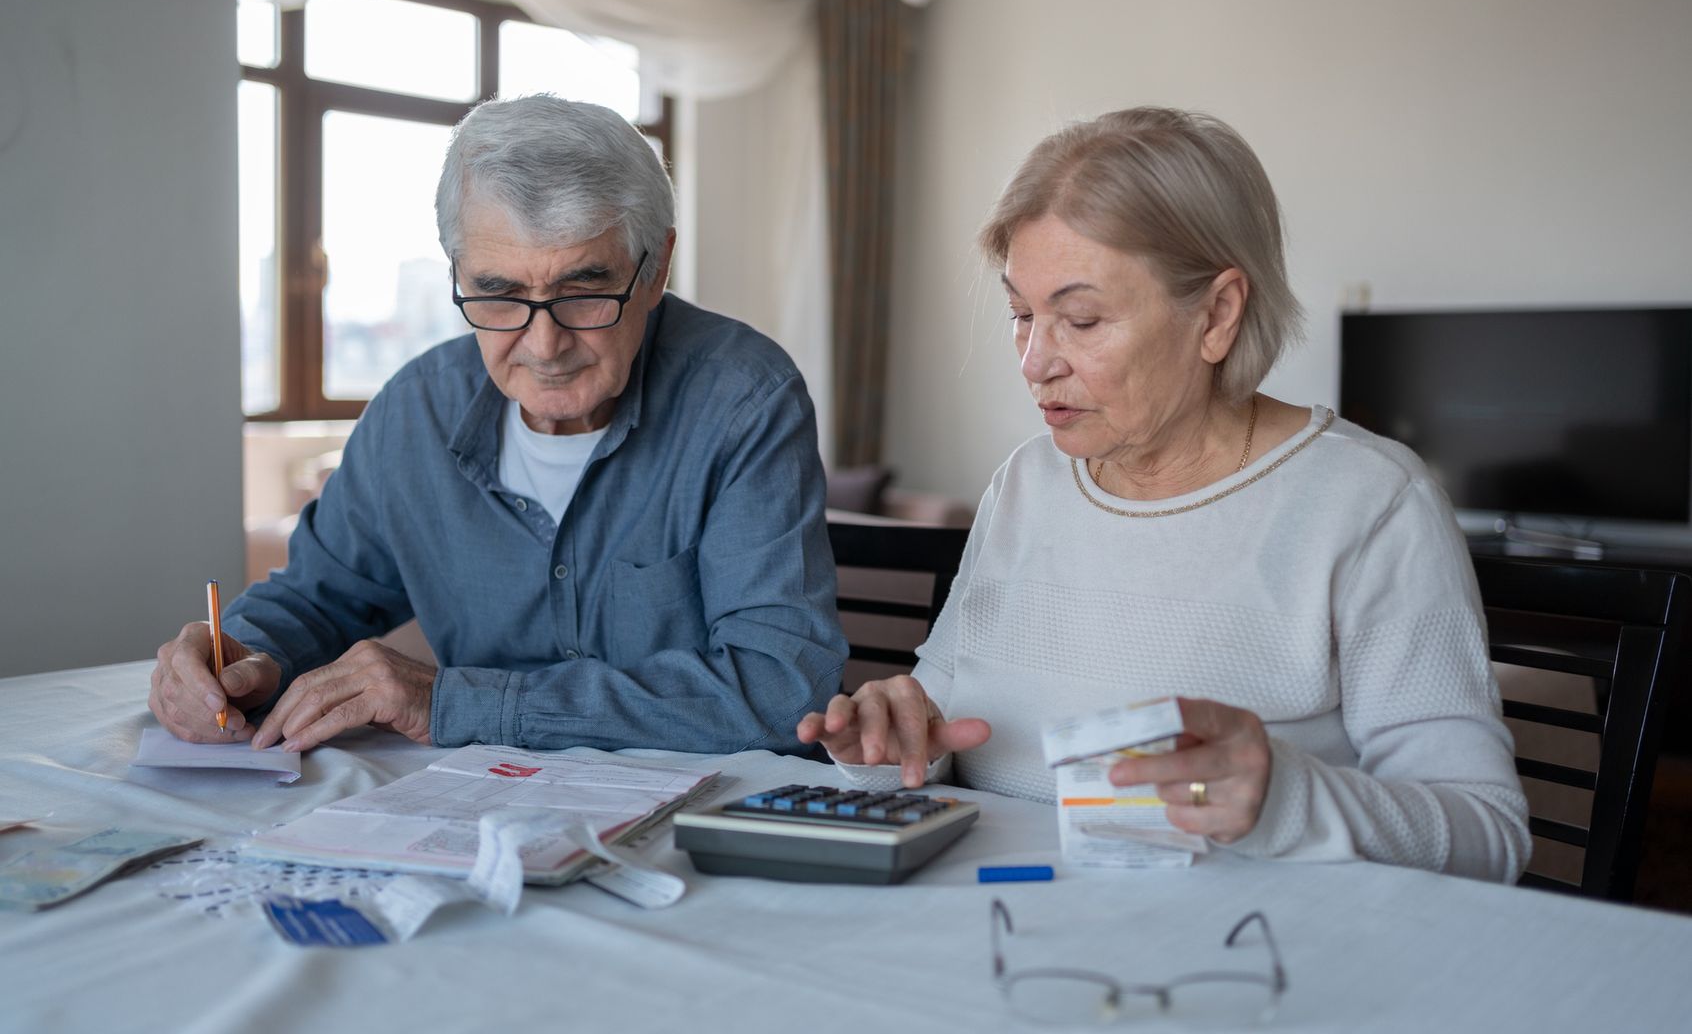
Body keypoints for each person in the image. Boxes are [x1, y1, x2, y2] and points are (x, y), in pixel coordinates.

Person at [797, 107, 1531, 882]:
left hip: (1237, 962)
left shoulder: (1367, 502)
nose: (1034, 361)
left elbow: (1488, 838)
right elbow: (941, 725)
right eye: (1021, 314)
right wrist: (888, 743)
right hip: (1004, 922)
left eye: (1080, 319)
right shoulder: (1027, 481)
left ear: (1216, 315)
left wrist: (1283, 797)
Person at [150, 95, 846, 755]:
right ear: (458, 272)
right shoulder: (415, 410)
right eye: (499, 292)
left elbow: (778, 689)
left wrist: (460, 702)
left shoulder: (742, 398)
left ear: (655, 267)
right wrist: (232, 656)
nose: (544, 346)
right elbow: (315, 598)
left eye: (583, 289)